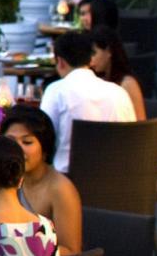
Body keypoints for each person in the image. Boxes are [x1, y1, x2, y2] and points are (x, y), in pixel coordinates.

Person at [38, 31, 134, 173]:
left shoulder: (56, 91)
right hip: (118, 183)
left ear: (60, 62)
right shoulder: (119, 93)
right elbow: (132, 141)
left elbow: (44, 140)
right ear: (90, 60)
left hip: (68, 184)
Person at [0, 107, 82, 256]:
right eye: (10, 141)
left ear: (45, 148)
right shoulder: (5, 179)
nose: (17, 149)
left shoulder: (61, 190)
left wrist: (22, 250)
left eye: (27, 142)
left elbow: (72, 251)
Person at [86, 26, 147, 121]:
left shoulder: (128, 84)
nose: (90, 60)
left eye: (94, 53)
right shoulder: (97, 80)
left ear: (109, 51)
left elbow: (141, 124)